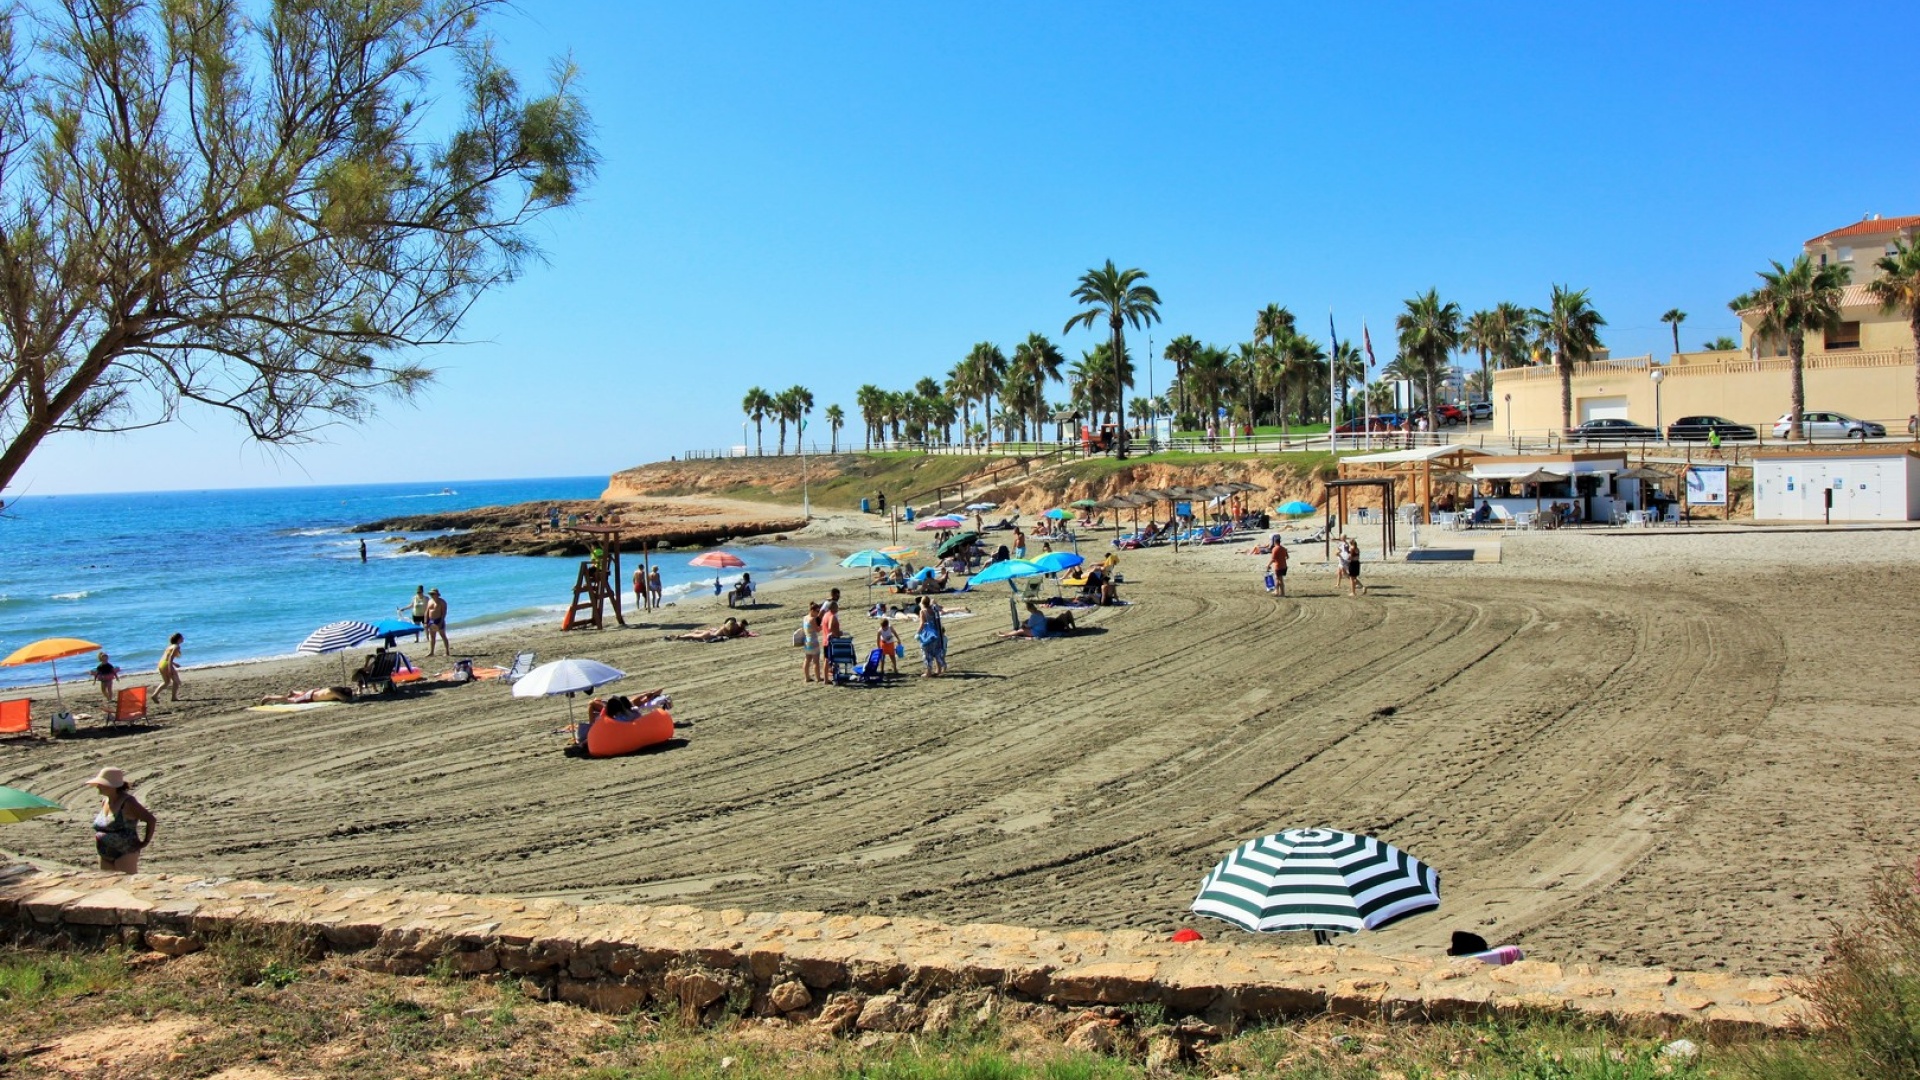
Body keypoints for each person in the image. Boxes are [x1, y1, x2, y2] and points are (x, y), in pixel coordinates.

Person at [86, 767, 155, 874]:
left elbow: (150, 819)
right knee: (108, 883)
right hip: (104, 853)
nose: (98, 786)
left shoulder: (128, 802)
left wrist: (145, 842)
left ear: (111, 786)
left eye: (101, 784)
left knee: (126, 881)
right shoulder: (105, 801)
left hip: (125, 853)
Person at [1001, 601, 1077, 639]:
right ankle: (1006, 634)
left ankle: (1006, 634)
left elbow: (1029, 626)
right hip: (1043, 630)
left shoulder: (1033, 616)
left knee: (1020, 630)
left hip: (1039, 633)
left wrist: (1024, 624)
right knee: (1021, 630)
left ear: (1029, 609)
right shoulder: (1039, 612)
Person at [917, 596, 947, 676]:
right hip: (937, 633)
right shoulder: (934, 609)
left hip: (928, 634)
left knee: (927, 653)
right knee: (937, 652)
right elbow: (941, 608)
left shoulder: (923, 611)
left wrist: (918, 633)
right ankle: (939, 670)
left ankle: (929, 672)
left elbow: (922, 623)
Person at [157, 633, 184, 701]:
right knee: (176, 681)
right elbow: (171, 657)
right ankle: (174, 697)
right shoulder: (176, 646)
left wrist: (174, 664)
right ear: (178, 639)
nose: (183, 638)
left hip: (161, 663)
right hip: (166, 665)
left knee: (166, 682)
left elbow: (166, 658)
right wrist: (170, 669)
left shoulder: (170, 646)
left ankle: (154, 695)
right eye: (182, 637)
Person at [671, 618, 749, 642]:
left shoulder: (738, 628)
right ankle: (679, 637)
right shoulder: (728, 627)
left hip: (713, 633)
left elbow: (742, 632)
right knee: (694, 636)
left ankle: (681, 636)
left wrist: (742, 632)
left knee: (696, 635)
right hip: (711, 635)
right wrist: (734, 636)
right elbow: (726, 633)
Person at [422, 588, 450, 656]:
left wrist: (441, 622)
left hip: (438, 619)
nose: (431, 595)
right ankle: (431, 652)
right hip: (431, 620)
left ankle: (447, 651)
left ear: (437, 594)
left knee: (443, 635)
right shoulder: (429, 601)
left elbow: (444, 613)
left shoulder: (442, 602)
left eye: (433, 594)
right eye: (431, 594)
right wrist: (425, 622)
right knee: (432, 636)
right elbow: (427, 612)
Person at [802, 602, 824, 684]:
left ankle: (807, 677)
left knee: (807, 659)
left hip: (806, 641)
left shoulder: (805, 618)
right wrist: (823, 625)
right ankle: (818, 678)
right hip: (813, 641)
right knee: (816, 661)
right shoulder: (812, 619)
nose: (818, 613)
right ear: (812, 610)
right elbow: (817, 630)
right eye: (817, 611)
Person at [259, 686, 355, 704]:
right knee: (290, 700)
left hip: (313, 693)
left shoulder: (334, 689)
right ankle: (269, 697)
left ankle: (294, 692)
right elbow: (345, 699)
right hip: (310, 697)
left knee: (302, 694)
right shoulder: (335, 693)